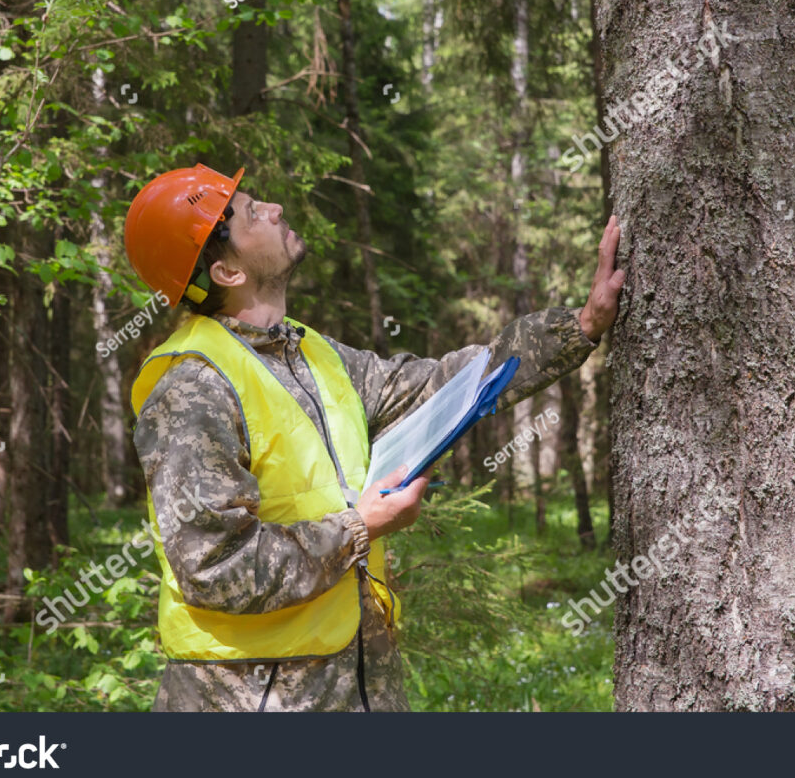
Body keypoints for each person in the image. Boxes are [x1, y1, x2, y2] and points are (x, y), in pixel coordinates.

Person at [126, 164, 625, 711]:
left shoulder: (315, 354)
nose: (275, 209)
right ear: (225, 272)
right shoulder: (192, 387)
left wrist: (580, 325)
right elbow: (214, 568)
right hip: (247, 700)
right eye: (252, 213)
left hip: (358, 685)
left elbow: (443, 388)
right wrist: (360, 527)